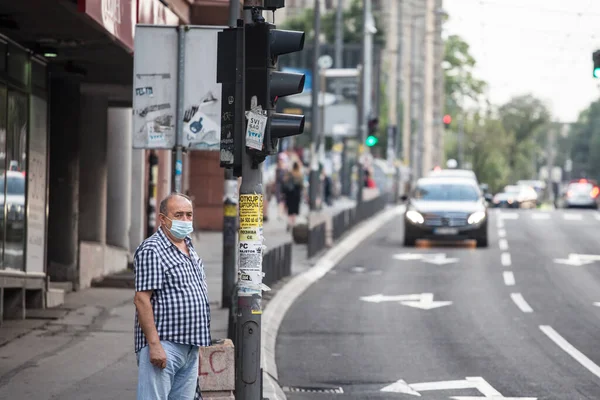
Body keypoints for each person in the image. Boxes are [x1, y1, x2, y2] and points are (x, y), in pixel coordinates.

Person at [133, 193, 211, 400]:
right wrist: (155, 345)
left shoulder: (189, 247)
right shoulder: (152, 249)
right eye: (178, 215)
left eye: (189, 215)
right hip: (165, 345)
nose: (185, 220)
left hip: (190, 347)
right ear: (162, 219)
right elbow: (142, 300)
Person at [283, 161, 304, 231]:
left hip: (289, 194)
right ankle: (293, 223)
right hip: (296, 194)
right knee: (295, 210)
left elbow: (284, 181)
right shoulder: (299, 174)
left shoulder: (289, 173)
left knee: (290, 209)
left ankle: (289, 222)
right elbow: (301, 185)